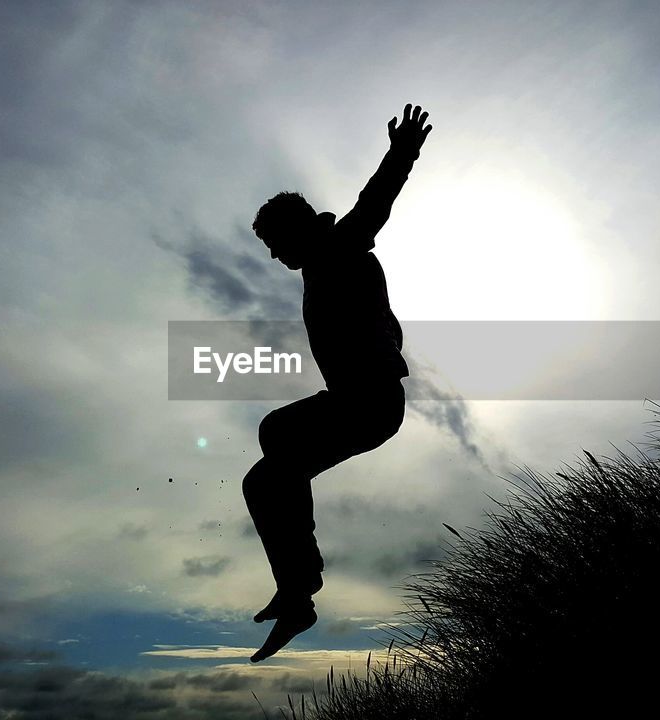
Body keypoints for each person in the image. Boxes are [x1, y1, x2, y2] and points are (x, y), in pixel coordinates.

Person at [242, 103, 432, 663]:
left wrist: (402, 153)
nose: (276, 258)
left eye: (277, 245)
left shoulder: (342, 244)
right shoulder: (319, 264)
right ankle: (298, 593)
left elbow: (375, 204)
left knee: (276, 445)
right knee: (267, 473)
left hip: (372, 400)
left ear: (299, 231)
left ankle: (301, 586)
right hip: (354, 402)